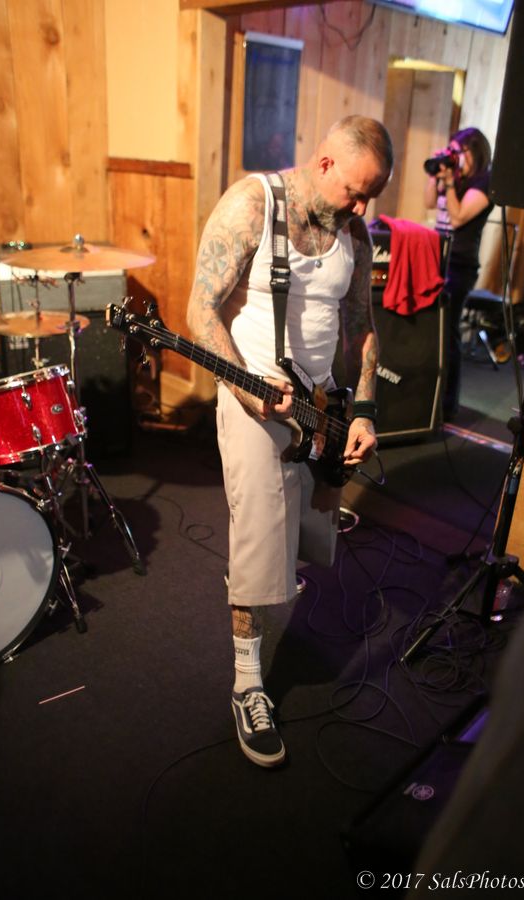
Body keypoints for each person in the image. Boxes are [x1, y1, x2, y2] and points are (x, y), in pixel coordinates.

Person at [186, 116, 393, 767]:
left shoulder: (355, 233)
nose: (362, 209)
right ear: (326, 163)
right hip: (254, 402)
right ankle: (247, 684)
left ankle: (273, 578)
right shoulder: (254, 204)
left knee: (301, 537)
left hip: (321, 407)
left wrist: (362, 412)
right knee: (257, 549)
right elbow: (199, 310)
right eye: (356, 192)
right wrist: (246, 390)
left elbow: (361, 326)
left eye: (371, 197)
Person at [424, 126, 493, 419]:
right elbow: (429, 202)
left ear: (473, 152)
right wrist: (435, 175)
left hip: (459, 265)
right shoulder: (455, 179)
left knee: (449, 331)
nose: (454, 157)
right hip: (437, 259)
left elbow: (459, 217)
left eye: (458, 151)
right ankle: (430, 397)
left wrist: (450, 183)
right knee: (432, 330)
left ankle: (448, 403)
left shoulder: (483, 182)